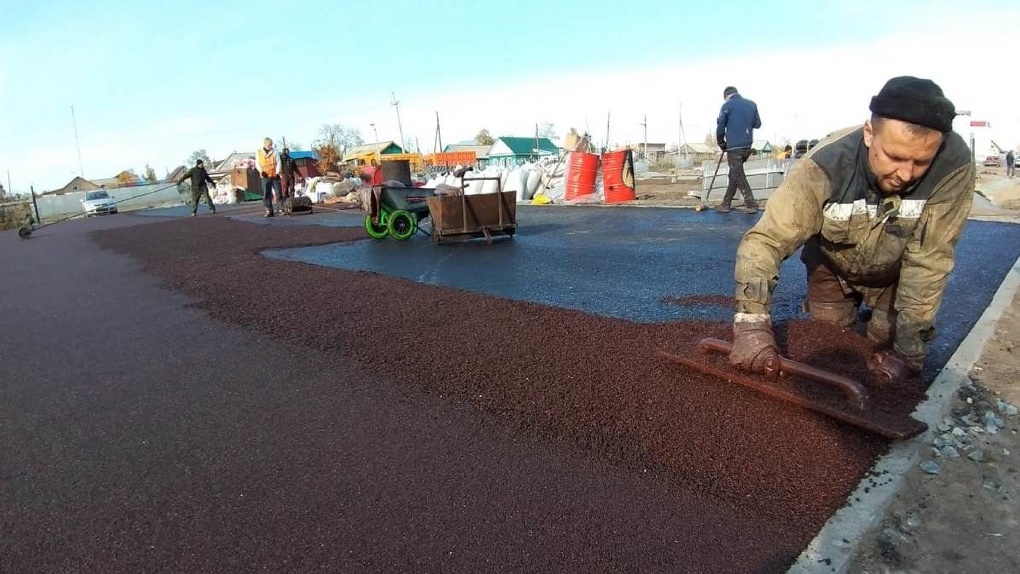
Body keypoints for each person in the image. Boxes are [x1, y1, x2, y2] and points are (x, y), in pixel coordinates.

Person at [728, 76, 973, 384]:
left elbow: (930, 259)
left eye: (920, 162)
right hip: (831, 264)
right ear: (869, 134)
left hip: (894, 275)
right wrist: (751, 326)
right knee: (830, 339)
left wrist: (909, 351)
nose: (906, 174)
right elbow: (764, 243)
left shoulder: (953, 168)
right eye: (895, 157)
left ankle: (886, 329)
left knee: (883, 340)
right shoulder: (823, 166)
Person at [716, 86, 762, 213]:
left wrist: (722, 144)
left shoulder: (727, 106)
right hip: (747, 146)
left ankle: (751, 203)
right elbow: (757, 124)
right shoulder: (752, 104)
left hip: (734, 147)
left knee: (738, 175)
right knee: (734, 174)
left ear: (726, 96)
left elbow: (720, 128)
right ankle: (726, 203)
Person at [256, 137, 281, 217]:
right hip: (265, 176)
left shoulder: (275, 152)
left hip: (274, 175)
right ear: (265, 144)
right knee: (267, 193)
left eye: (271, 144)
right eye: (269, 144)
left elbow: (278, 162)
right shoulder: (259, 152)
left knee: (278, 192)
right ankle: (269, 210)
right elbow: (257, 163)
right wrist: (261, 171)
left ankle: (280, 208)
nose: (271, 146)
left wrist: (277, 173)